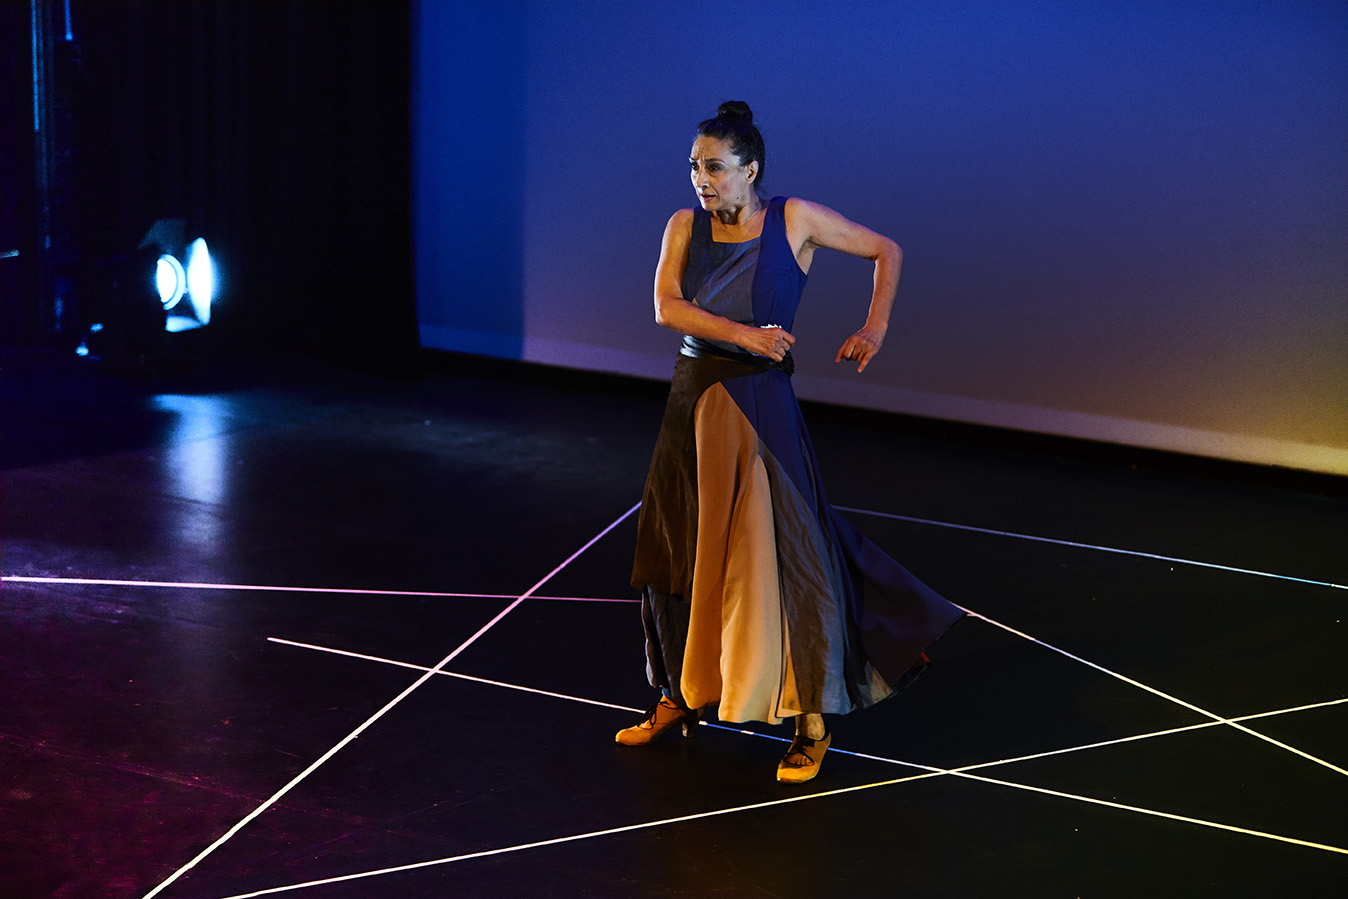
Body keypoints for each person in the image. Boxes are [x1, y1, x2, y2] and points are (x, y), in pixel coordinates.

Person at [619, 101, 964, 784]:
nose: (701, 179)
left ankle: (811, 722)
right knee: (679, 548)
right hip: (694, 400)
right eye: (694, 166)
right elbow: (667, 306)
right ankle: (677, 696)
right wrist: (748, 335)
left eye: (714, 167)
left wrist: (874, 329)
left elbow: (885, 249)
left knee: (791, 558)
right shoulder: (682, 226)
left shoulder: (793, 220)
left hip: (759, 405)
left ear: (751, 169)